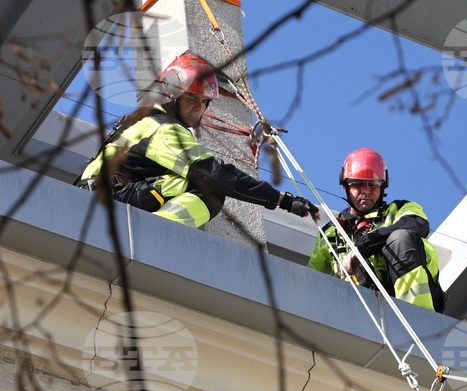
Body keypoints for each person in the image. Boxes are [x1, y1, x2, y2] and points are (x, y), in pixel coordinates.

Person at [76, 53, 317, 228]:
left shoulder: (147, 121)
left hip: (104, 198)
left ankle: (153, 230)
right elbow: (213, 173)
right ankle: (156, 233)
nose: (198, 107)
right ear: (171, 94)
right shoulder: (162, 128)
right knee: (210, 188)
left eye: (204, 102)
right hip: (108, 202)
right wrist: (280, 199)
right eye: (192, 97)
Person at [308, 148, 445, 312]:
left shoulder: (400, 209)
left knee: (401, 238)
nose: (365, 191)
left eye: (373, 184)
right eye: (357, 184)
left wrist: (363, 247)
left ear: (383, 187)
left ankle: (417, 314)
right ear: (345, 187)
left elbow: (418, 224)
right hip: (361, 309)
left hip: (411, 301)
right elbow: (311, 279)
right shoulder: (332, 232)